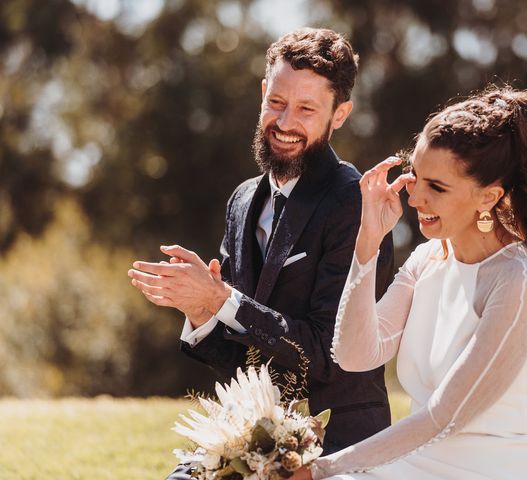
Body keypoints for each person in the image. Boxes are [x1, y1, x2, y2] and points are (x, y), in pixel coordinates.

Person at [292, 86, 527, 479]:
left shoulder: (521, 281)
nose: (415, 198)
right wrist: (368, 240)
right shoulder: (427, 260)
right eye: (416, 177)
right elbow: (355, 354)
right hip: (417, 462)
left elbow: (443, 416)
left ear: (489, 197)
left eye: (438, 187)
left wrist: (321, 469)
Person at [128, 27, 395, 461]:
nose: (285, 123)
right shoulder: (242, 199)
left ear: (340, 113)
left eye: (307, 108)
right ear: (262, 93)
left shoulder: (354, 203)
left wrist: (220, 297)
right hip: (250, 439)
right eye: (277, 102)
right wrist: (201, 312)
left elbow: (331, 356)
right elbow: (245, 355)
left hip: (339, 446)